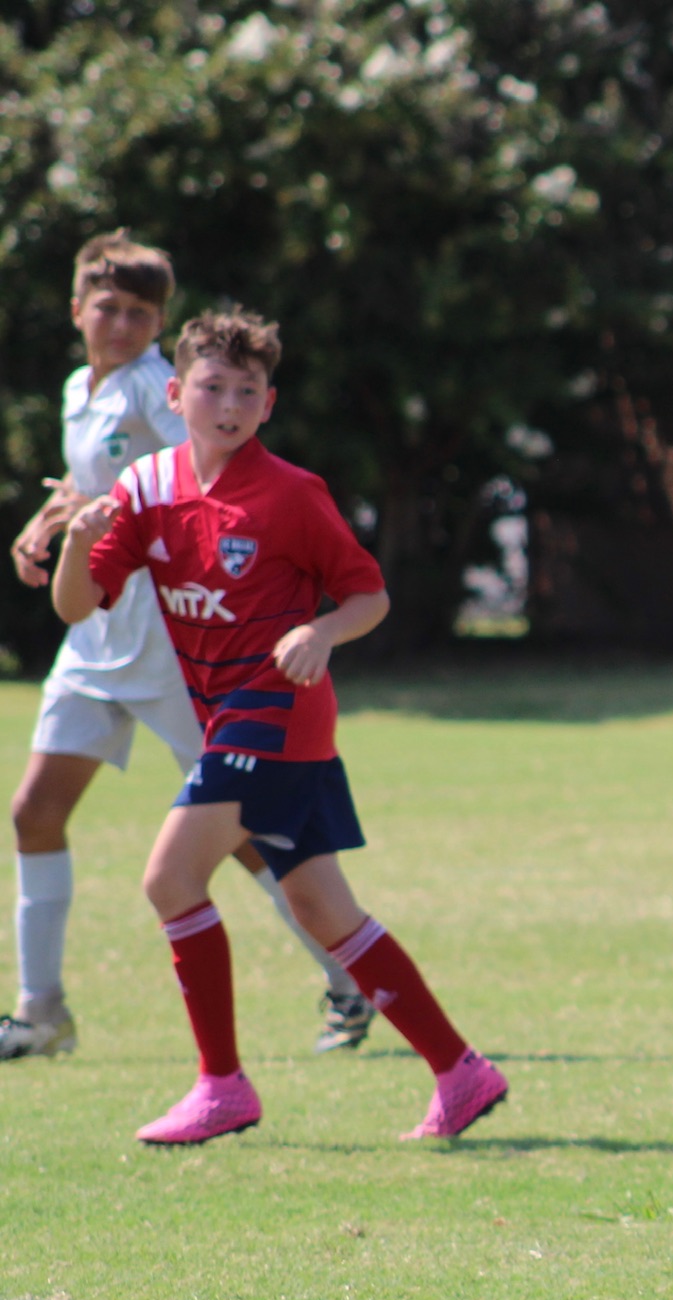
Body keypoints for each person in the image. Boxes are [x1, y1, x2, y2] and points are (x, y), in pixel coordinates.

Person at [50, 307, 506, 1145]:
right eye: (212, 387)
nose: (227, 404)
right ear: (177, 392)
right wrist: (79, 545)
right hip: (231, 719)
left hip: (277, 713)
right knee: (324, 909)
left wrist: (322, 631)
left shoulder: (293, 494)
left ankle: (221, 1085)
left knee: (169, 879)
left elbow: (368, 594)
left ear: (268, 406)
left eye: (246, 391)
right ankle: (461, 1071)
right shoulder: (145, 489)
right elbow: (79, 607)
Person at [0, 232, 372, 1063]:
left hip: (175, 648)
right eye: (109, 306)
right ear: (77, 310)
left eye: (142, 312)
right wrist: (49, 526)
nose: (123, 323)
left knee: (245, 839)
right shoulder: (76, 390)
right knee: (33, 813)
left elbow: (200, 460)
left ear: (161, 324)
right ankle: (42, 1011)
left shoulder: (154, 391)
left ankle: (350, 983)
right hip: (97, 642)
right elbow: (89, 496)